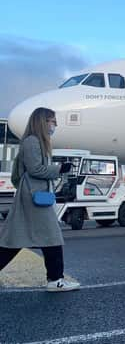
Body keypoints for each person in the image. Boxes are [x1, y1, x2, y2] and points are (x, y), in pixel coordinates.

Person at [0, 107, 79, 292]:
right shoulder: (32, 142)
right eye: (53, 121)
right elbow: (35, 169)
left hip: (34, 196)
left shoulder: (34, 141)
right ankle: (55, 280)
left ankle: (55, 279)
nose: (55, 125)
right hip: (34, 197)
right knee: (51, 237)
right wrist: (59, 169)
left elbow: (24, 173)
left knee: (17, 239)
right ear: (42, 122)